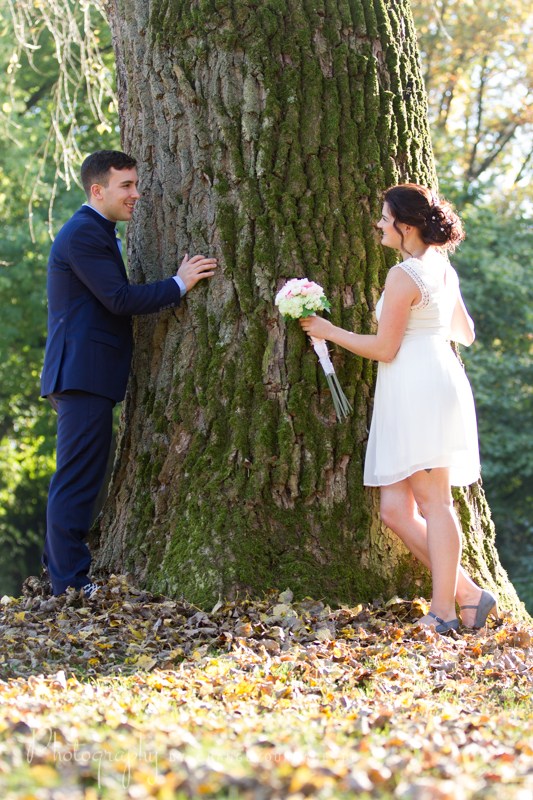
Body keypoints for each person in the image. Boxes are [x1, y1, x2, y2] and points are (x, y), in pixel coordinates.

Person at [299, 183, 498, 632]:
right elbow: (465, 333)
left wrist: (329, 331)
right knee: (394, 510)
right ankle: (470, 595)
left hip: (421, 388)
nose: (379, 224)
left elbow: (384, 348)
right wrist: (429, 325)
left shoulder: (404, 274)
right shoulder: (441, 268)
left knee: (434, 502)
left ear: (406, 227)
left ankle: (444, 612)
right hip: (421, 380)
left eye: (385, 218)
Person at [41, 150, 217, 598]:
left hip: (87, 374)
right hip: (81, 375)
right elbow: (118, 299)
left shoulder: (96, 230)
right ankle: (68, 582)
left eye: (136, 183)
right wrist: (179, 283)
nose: (136, 193)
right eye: (126, 185)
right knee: (77, 478)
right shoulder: (84, 232)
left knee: (80, 474)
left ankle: (61, 572)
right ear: (97, 190)